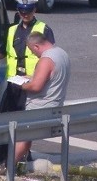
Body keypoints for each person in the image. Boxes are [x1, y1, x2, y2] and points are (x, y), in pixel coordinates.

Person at [0, 0, 54, 164]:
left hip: (32, 84)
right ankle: (7, 154)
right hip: (14, 84)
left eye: (28, 11)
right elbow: (3, 52)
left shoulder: (43, 29)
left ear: (34, 11)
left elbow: (49, 55)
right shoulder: (12, 30)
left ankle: (24, 155)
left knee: (26, 121)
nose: (24, 14)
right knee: (8, 119)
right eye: (21, 12)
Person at [15, 31, 71, 163]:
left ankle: (9, 167)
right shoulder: (62, 53)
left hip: (40, 107)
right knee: (27, 137)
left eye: (31, 50)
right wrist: (29, 77)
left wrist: (20, 85)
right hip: (55, 105)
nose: (33, 54)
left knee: (22, 137)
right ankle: (20, 163)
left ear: (36, 46)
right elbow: (51, 78)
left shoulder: (46, 59)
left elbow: (36, 87)